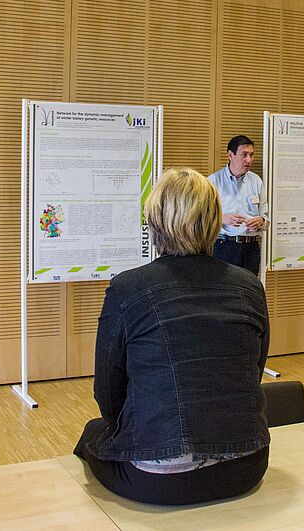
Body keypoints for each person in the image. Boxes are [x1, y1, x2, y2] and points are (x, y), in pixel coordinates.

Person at [74, 168, 270, 505]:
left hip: (158, 481)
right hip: (248, 465)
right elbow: (253, 369)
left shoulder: (127, 287)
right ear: (214, 222)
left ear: (155, 223)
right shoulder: (249, 285)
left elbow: (107, 390)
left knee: (94, 432)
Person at [207, 135, 268, 275]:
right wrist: (222, 218)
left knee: (248, 291)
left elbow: (266, 215)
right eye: (244, 155)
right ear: (230, 154)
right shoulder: (213, 182)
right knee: (224, 291)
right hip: (224, 246)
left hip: (251, 247)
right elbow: (201, 217)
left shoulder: (256, 181)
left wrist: (261, 220)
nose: (249, 160)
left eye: (251, 155)